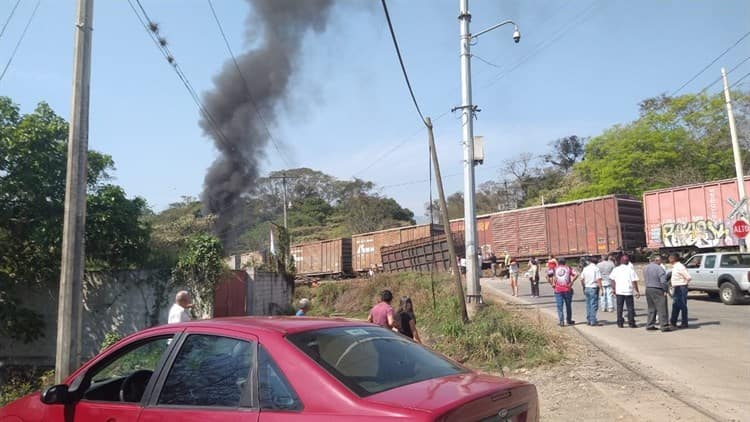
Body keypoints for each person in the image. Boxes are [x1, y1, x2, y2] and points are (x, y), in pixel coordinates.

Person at [610, 255, 640, 328]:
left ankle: (620, 323)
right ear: (628, 262)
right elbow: (634, 281)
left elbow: (612, 280)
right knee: (630, 308)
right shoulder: (630, 270)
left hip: (619, 291)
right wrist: (637, 291)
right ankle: (631, 323)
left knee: (619, 307)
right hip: (628, 291)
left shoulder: (616, 269)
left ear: (621, 261)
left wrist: (614, 289)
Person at [643, 256, 670, 332]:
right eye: (660, 261)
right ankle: (664, 326)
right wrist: (665, 290)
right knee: (662, 308)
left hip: (648, 288)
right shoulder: (659, 268)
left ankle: (650, 324)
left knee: (651, 308)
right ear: (657, 260)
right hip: (657, 289)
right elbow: (663, 281)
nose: (661, 262)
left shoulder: (645, 268)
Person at [551, 257, 577, 326]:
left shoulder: (554, 269)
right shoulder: (568, 268)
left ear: (558, 262)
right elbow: (576, 274)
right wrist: (572, 282)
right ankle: (569, 320)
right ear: (565, 262)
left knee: (559, 306)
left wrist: (552, 283)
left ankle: (561, 321)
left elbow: (547, 275)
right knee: (568, 305)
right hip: (567, 289)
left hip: (558, 290)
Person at [669, 253, 691, 329]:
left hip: (681, 287)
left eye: (670, 258)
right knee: (675, 305)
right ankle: (673, 322)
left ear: (673, 259)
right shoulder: (675, 267)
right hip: (676, 287)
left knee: (682, 305)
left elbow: (688, 277)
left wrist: (684, 284)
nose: (669, 259)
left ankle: (684, 323)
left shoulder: (680, 267)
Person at [580, 256, 603, 326]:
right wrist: (601, 289)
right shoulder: (596, 269)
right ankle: (593, 320)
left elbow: (581, 279)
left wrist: (583, 287)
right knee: (593, 305)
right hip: (593, 288)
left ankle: (589, 319)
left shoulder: (585, 268)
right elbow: (598, 279)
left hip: (587, 287)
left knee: (588, 304)